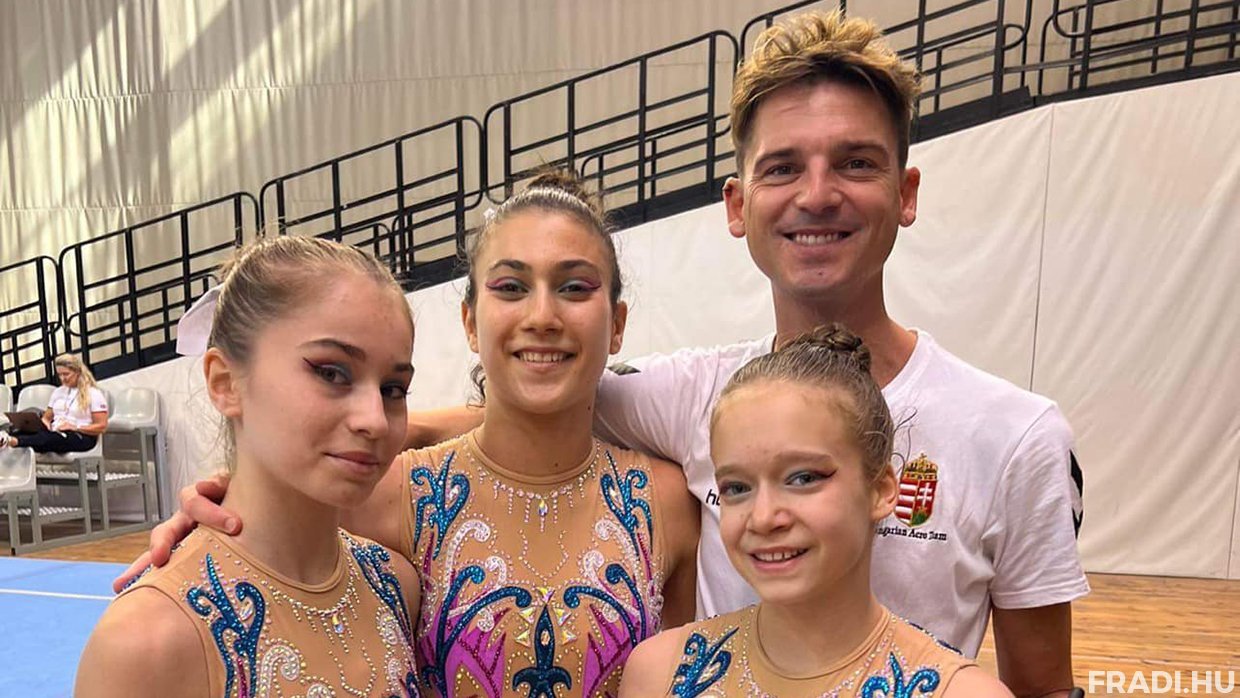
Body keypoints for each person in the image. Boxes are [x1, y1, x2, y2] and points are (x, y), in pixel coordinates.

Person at [130, 11, 1089, 695]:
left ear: (908, 192)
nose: (817, 194)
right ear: (737, 205)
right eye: (782, 167)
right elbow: (530, 409)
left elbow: (1046, 685)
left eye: (857, 162)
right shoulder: (697, 395)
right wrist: (243, 479)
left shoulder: (1014, 436)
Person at [117, 172, 700, 697]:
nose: (542, 316)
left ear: (617, 324)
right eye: (510, 287)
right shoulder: (390, 494)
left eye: (575, 287)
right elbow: (271, 521)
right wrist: (221, 506)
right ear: (470, 322)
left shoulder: (667, 502)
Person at [76, 237, 422, 696]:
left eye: (393, 389)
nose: (374, 420)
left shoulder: (395, 585)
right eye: (331, 372)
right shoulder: (147, 641)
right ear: (226, 383)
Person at [619, 325, 1011, 697]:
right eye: (737, 488)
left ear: (880, 489)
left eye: (803, 478)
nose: (763, 517)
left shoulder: (963, 692)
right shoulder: (659, 673)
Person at [4, 353, 108, 453]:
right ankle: (10, 440)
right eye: (59, 375)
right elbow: (47, 418)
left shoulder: (93, 394)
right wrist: (44, 424)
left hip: (81, 435)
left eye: (66, 374)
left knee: (49, 438)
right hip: (56, 430)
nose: (62, 378)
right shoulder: (58, 392)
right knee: (26, 433)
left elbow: (101, 426)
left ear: (77, 372)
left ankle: (16, 441)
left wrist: (76, 427)